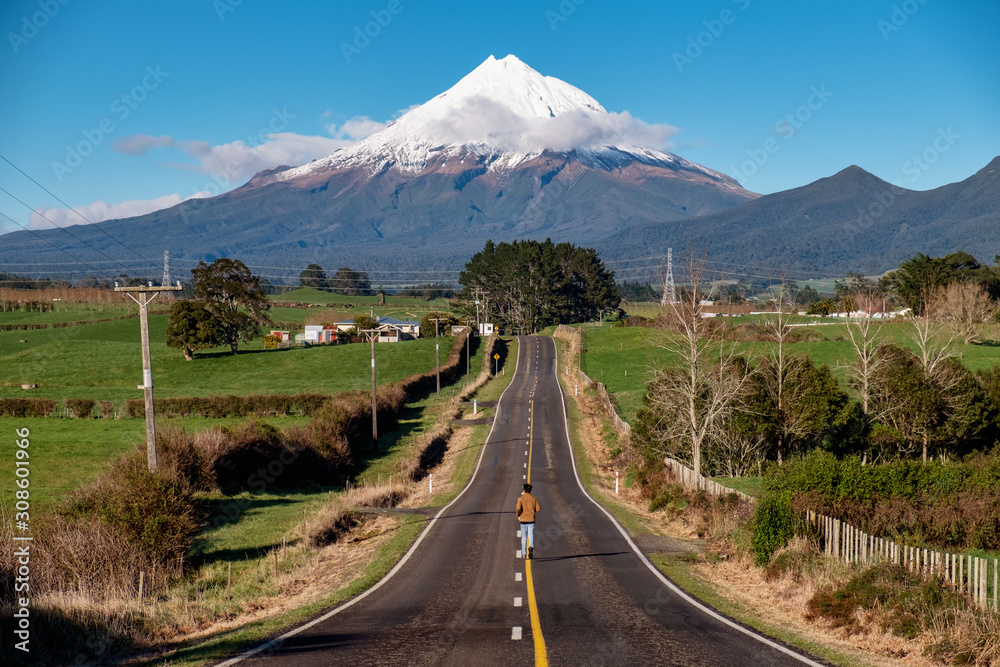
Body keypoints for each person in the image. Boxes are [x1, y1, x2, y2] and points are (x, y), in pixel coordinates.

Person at [516, 483, 540, 559]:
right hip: (531, 520)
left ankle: (524, 553)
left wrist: (518, 514)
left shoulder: (520, 499)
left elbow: (518, 508)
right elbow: (538, 509)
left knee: (524, 537)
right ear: (530, 490)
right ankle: (531, 546)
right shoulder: (534, 499)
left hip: (523, 520)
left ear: (523, 490)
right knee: (531, 535)